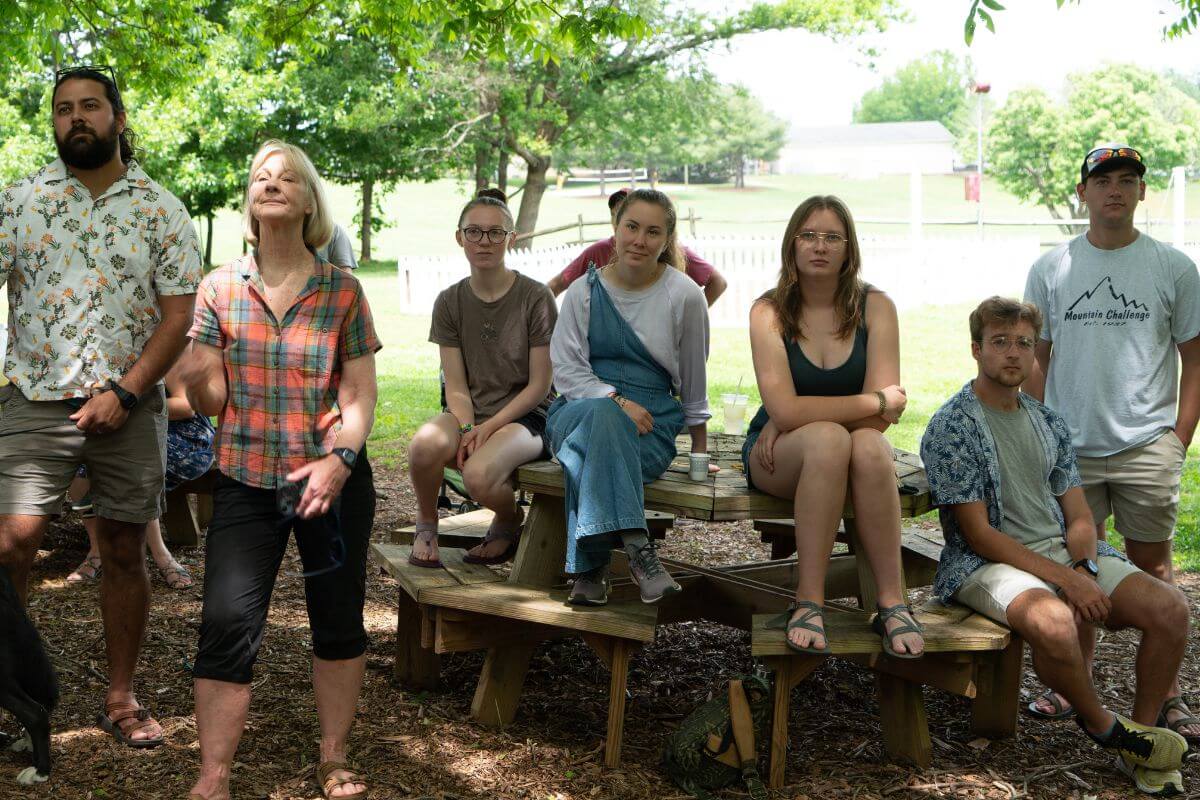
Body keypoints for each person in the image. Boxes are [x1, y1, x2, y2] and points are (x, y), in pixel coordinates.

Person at [0, 66, 202, 748]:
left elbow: (178, 317)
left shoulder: (160, 208)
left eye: (90, 105)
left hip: (130, 403)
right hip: (33, 397)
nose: (76, 118)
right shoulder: (19, 201)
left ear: (118, 116)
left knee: (122, 547)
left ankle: (120, 696)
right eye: (63, 109)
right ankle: (13, 693)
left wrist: (124, 392)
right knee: (11, 544)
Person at [921, 296, 1191, 795]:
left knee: (1171, 608)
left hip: (1062, 552)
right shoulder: (952, 426)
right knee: (1054, 619)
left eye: (1024, 343)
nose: (1013, 353)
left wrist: (1083, 568)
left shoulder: (1047, 422)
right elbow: (979, 534)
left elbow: (1080, 516)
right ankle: (1106, 728)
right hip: (983, 563)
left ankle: (1144, 736)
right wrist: (1065, 580)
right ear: (976, 350)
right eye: (999, 342)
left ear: (1036, 354)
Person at [179, 140, 380, 800]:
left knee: (337, 616)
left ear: (307, 200)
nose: (272, 183)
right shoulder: (218, 287)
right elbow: (210, 403)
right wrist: (201, 373)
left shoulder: (342, 290)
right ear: (251, 200)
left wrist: (340, 462)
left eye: (287, 176)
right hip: (245, 477)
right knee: (227, 623)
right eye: (261, 177)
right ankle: (214, 774)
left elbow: (359, 395)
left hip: (332, 483)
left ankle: (333, 754)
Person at [1022, 144, 1200, 745]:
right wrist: (1045, 431)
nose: (1115, 191)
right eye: (1103, 182)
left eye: (1128, 181)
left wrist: (1178, 437)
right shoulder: (1052, 268)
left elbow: (1194, 357)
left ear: (1143, 193)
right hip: (1069, 447)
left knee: (1152, 564)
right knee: (1079, 562)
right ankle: (1077, 680)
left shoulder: (1172, 267)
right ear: (1084, 193)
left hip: (1147, 442)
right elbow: (1035, 357)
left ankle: (1167, 693)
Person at [742, 195, 922, 659]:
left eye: (832, 237)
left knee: (868, 448)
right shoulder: (768, 312)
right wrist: (873, 401)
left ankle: (891, 600)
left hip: (843, 445)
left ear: (849, 248)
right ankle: (809, 601)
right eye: (809, 235)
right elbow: (875, 403)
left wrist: (799, 414)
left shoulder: (876, 306)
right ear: (792, 245)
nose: (819, 246)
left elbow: (882, 420)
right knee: (827, 439)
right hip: (776, 454)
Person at [549, 188, 710, 606]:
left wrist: (699, 450)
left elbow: (693, 380)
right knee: (602, 418)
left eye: (653, 231)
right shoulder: (582, 293)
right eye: (632, 227)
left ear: (667, 239)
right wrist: (614, 400)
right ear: (615, 230)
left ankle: (591, 567)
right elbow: (566, 371)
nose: (640, 240)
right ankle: (639, 549)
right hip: (576, 409)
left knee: (592, 446)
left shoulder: (686, 295)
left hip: (651, 423)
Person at [407, 189, 556, 568]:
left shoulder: (535, 298)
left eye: (495, 232)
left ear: (512, 238)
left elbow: (539, 385)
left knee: (477, 476)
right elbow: (455, 385)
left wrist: (488, 428)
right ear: (460, 238)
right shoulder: (449, 302)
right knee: (423, 446)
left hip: (527, 417)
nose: (484, 241)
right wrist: (470, 426)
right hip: (468, 411)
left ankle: (508, 519)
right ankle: (427, 525)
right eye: (474, 231)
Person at [66, 360, 215, 589]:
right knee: (81, 464)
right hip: (119, 428)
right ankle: (97, 550)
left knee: (134, 459)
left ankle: (160, 553)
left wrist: (122, 405)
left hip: (183, 433)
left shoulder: (163, 338)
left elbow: (186, 407)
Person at [547, 188, 728, 307]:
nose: (639, 240)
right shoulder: (598, 251)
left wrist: (690, 319)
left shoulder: (669, 250)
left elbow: (718, 282)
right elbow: (555, 284)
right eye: (614, 215)